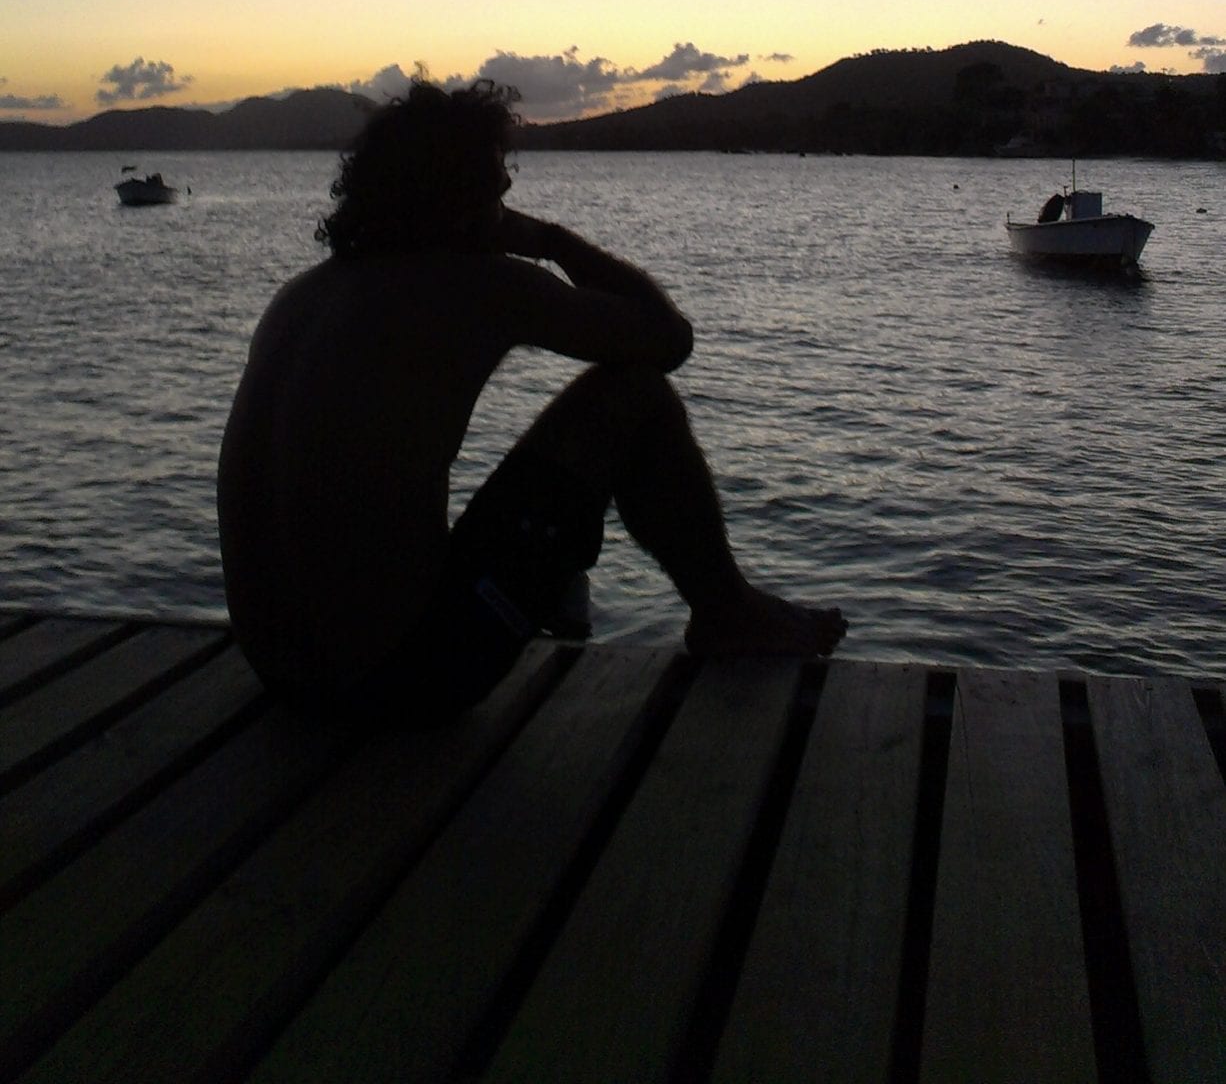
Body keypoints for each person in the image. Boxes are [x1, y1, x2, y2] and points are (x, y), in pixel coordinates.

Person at [217, 80, 847, 722]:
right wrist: (552, 241)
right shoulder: (475, 284)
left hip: (280, 675)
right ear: (464, 200)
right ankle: (726, 611)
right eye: (496, 188)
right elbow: (667, 341)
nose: (505, 201)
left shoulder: (298, 298)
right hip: (401, 681)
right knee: (634, 394)